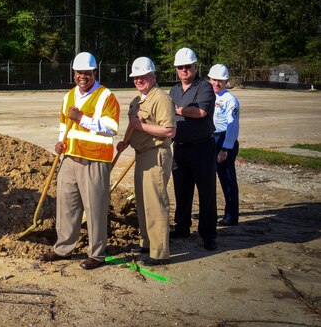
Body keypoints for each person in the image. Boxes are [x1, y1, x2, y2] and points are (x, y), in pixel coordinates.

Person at [39, 52, 120, 270]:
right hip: (70, 158)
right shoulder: (69, 96)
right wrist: (59, 143)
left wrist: (82, 118)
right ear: (74, 73)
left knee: (95, 209)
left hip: (94, 160)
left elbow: (112, 128)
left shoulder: (106, 96)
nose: (82, 76)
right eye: (78, 72)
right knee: (66, 206)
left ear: (94, 72)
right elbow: (64, 126)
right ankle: (63, 248)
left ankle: (96, 254)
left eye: (86, 72)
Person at [118, 57, 176, 266]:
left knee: (156, 203)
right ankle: (146, 242)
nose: (139, 80)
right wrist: (125, 142)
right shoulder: (138, 100)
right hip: (141, 154)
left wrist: (141, 128)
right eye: (136, 77)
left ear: (153, 76)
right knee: (142, 201)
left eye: (143, 76)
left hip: (156, 154)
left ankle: (160, 252)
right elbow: (133, 123)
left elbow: (169, 130)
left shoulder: (161, 98)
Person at [169, 48, 217, 251]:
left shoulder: (204, 88)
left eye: (188, 66)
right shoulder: (174, 90)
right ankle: (182, 227)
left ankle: (208, 235)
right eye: (180, 67)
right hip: (180, 148)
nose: (184, 70)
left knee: (206, 193)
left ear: (195, 67)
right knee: (182, 191)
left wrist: (178, 109)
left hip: (202, 148)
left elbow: (200, 111)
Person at [209, 64, 240, 226]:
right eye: (214, 80)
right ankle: (209, 213)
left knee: (227, 179)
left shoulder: (230, 100)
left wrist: (225, 149)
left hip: (223, 140)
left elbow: (232, 126)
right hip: (210, 139)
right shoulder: (208, 96)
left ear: (226, 81)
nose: (216, 83)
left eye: (220, 81)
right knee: (208, 179)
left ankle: (231, 216)